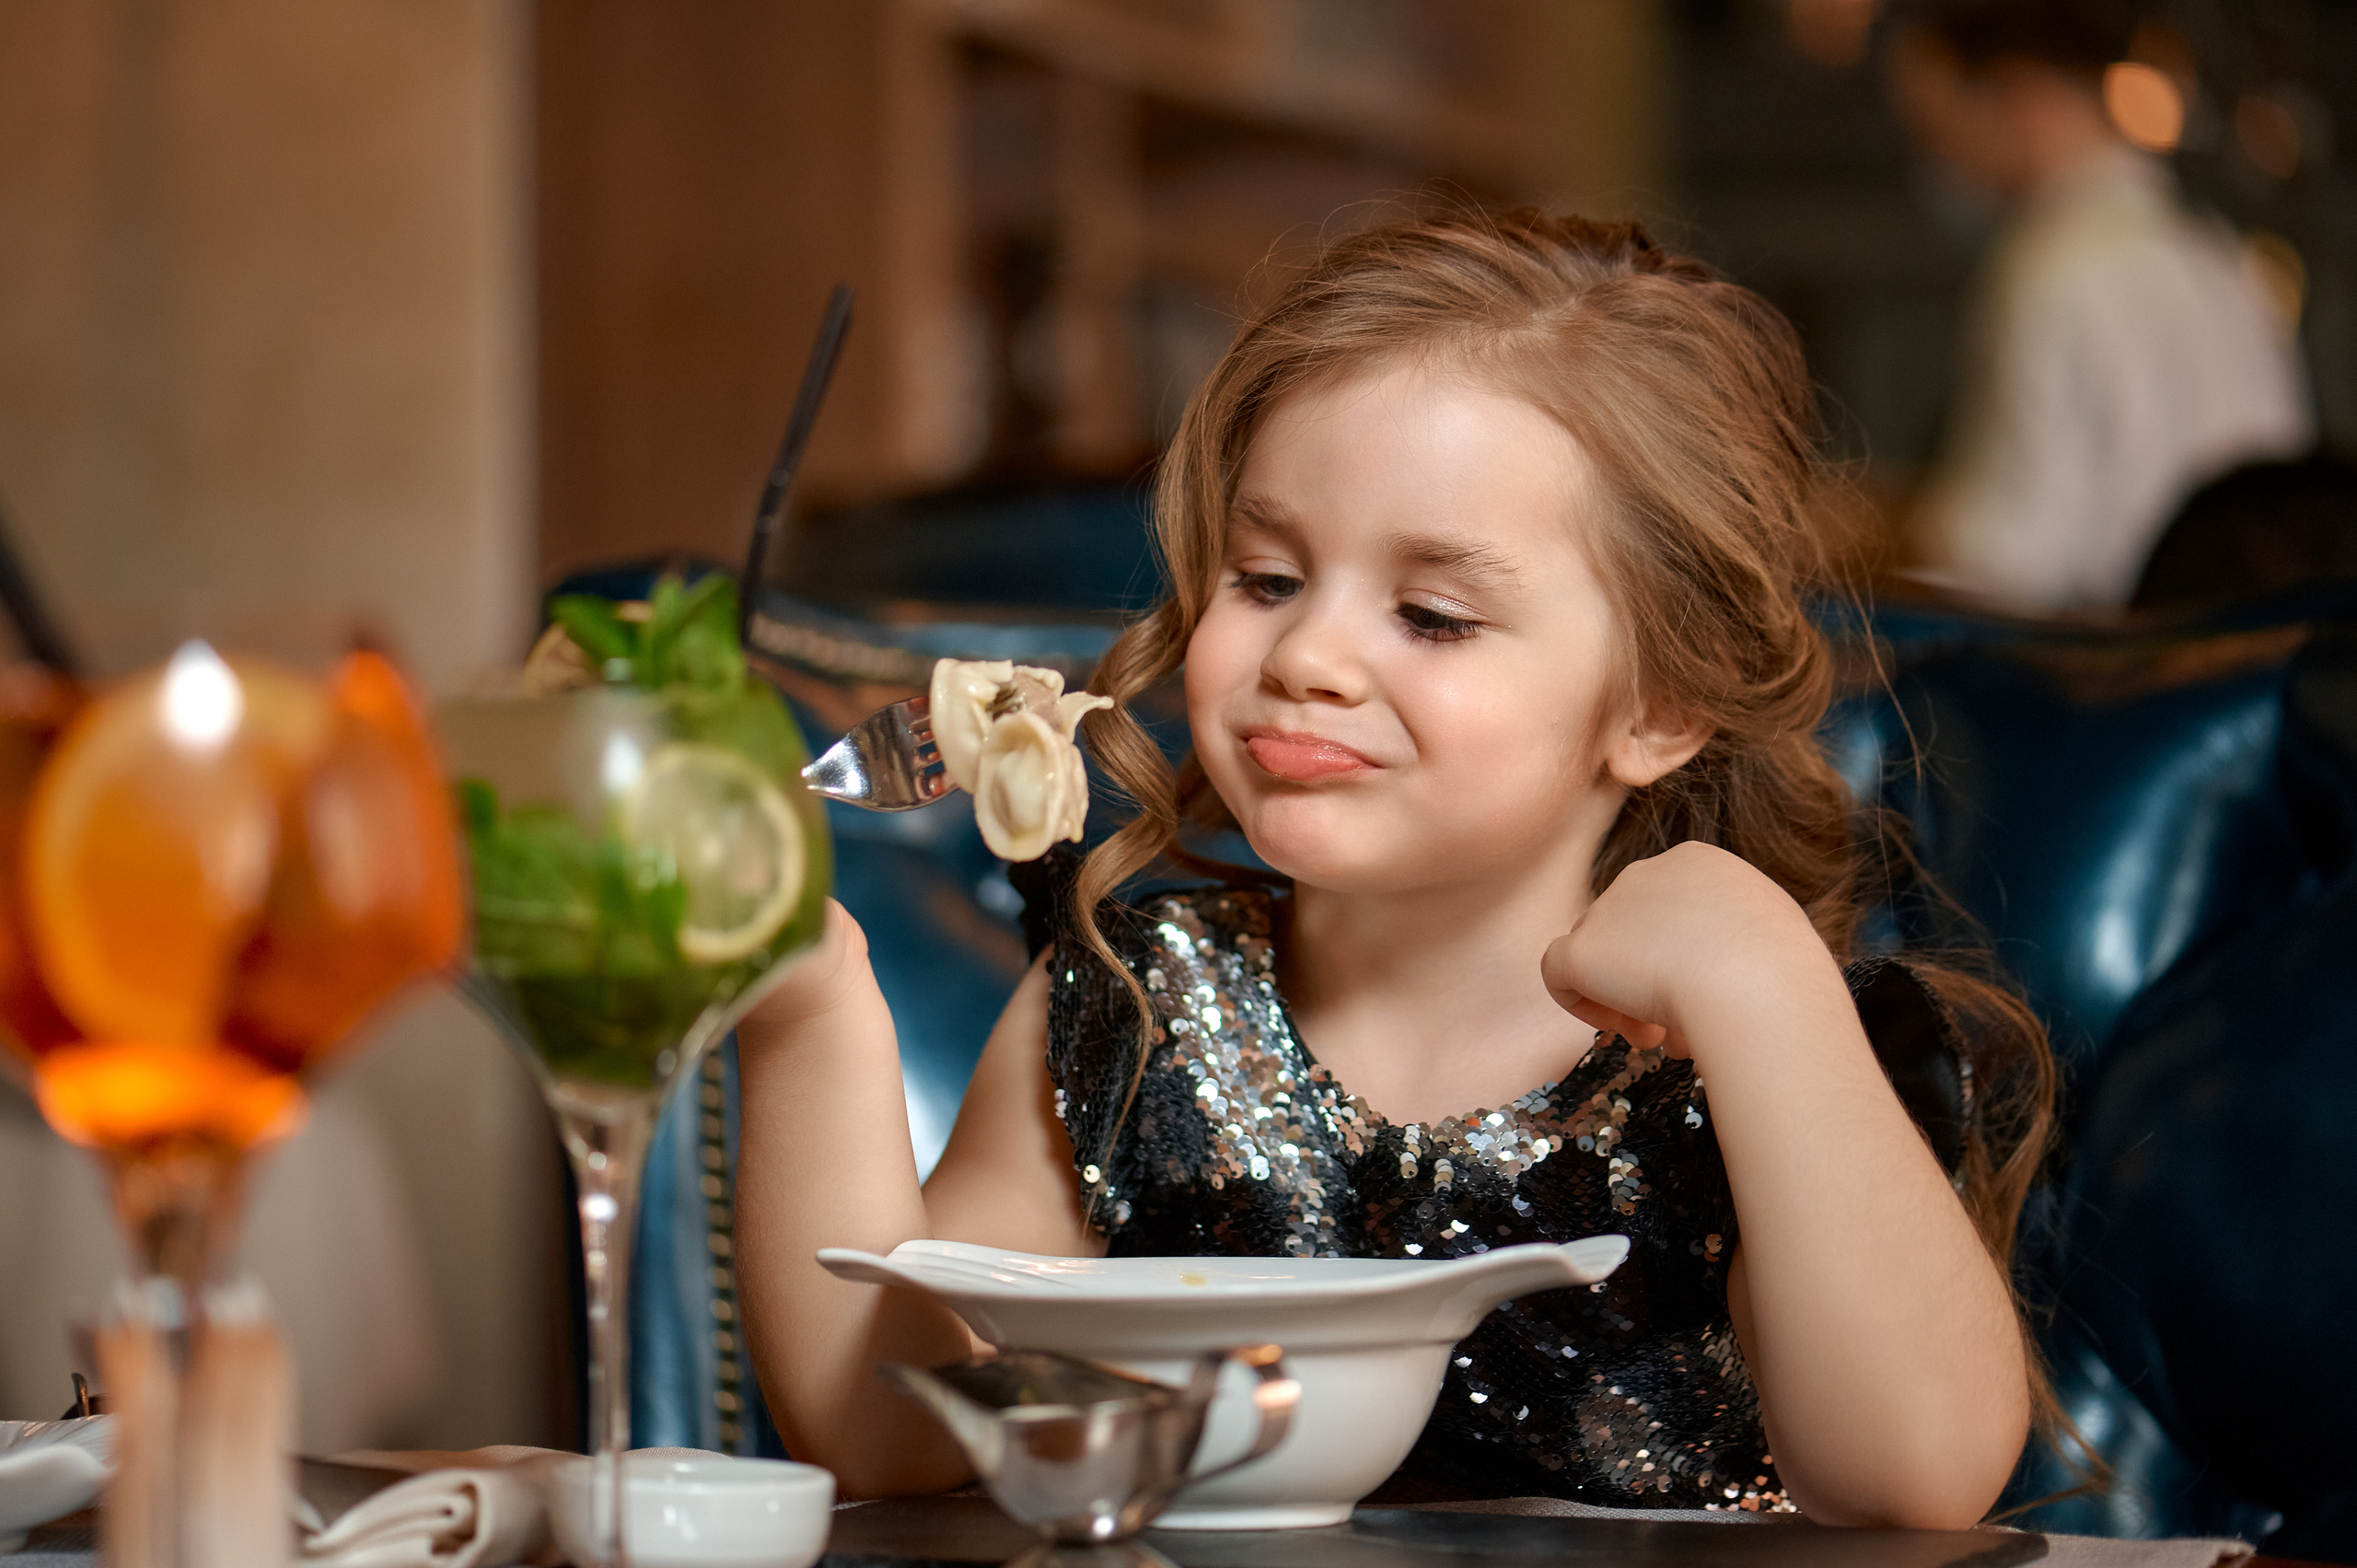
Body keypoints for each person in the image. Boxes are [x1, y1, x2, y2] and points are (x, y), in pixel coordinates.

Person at [734, 211, 2058, 1527]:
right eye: (1265, 577)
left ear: (1656, 704)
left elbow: (1915, 1478)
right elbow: (893, 1430)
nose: (1308, 652)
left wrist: (1771, 991)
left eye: (1432, 613)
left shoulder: (1753, 1048)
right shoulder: (1132, 1011)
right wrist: (809, 1004)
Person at [1887, 0, 2312, 612]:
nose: (1936, 164)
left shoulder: (2050, 265)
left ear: (2017, 90)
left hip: (2125, 682)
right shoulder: (2214, 253)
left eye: (1936, 131)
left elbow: (2001, 563)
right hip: (2249, 674)